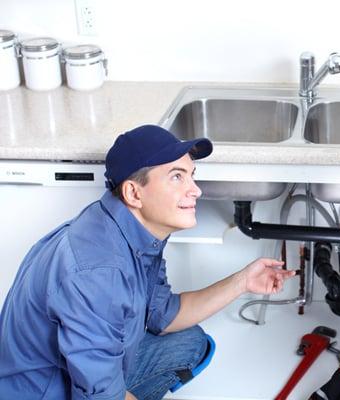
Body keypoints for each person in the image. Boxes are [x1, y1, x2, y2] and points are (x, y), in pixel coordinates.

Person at [0, 124, 296, 400]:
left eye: (191, 175)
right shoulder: (99, 273)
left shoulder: (130, 228)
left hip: (70, 371)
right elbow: (100, 397)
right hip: (43, 392)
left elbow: (162, 315)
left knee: (190, 344)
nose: (196, 190)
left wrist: (241, 282)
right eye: (177, 176)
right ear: (133, 192)